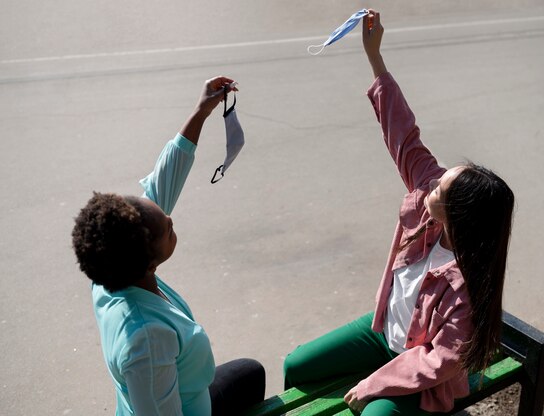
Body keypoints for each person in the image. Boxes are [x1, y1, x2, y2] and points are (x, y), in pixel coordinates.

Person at [283, 10, 515, 415]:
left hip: (422, 372)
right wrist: (375, 57)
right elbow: (402, 133)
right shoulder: (429, 209)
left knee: (374, 413)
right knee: (296, 365)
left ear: (458, 213)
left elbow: (439, 361)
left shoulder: (467, 289)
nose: (433, 181)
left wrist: (375, 383)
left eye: (443, 185)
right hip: (383, 336)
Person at [72, 76, 265, 416]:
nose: (170, 219)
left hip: (187, 392)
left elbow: (164, 181)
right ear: (149, 262)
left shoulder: (111, 269)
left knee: (250, 372)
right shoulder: (147, 341)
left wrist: (201, 111)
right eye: (166, 229)